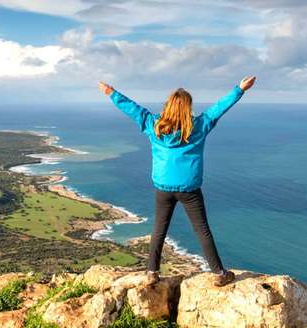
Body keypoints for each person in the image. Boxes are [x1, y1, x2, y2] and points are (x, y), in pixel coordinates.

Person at [98, 76, 256, 287]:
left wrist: (112, 93)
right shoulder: (199, 126)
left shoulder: (153, 125)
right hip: (190, 189)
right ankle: (219, 273)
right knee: (202, 230)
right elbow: (219, 108)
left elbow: (133, 109)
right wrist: (239, 89)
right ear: (187, 108)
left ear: (168, 106)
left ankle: (152, 272)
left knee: (159, 229)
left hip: (163, 187)